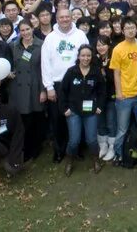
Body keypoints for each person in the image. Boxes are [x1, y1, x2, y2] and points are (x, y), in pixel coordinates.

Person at [41, 7, 89, 163]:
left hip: (77, 82)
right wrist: (49, 87)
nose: (65, 20)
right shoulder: (50, 38)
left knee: (80, 115)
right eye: (61, 17)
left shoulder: (80, 35)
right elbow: (45, 64)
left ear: (71, 18)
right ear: (57, 19)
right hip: (57, 84)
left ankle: (78, 149)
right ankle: (60, 150)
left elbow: (88, 56)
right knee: (58, 119)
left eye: (67, 17)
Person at [58, 44, 107, 175]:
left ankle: (96, 160)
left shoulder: (96, 72)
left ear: (91, 57)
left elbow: (102, 91)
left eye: (88, 55)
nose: (86, 58)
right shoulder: (71, 72)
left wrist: (100, 107)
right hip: (74, 111)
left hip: (91, 112)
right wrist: (64, 109)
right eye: (83, 55)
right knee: (74, 141)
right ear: (78, 56)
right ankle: (69, 161)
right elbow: (62, 92)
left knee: (91, 139)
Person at [110, 16, 137, 163]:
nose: (130, 30)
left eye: (133, 27)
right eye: (127, 28)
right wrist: (119, 92)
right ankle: (118, 154)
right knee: (122, 129)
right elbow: (116, 72)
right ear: (122, 30)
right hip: (125, 96)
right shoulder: (118, 49)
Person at [10, 19, 46, 162]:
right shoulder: (13, 46)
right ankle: (24, 149)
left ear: (33, 28)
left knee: (36, 120)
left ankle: (35, 149)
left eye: (27, 29)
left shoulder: (42, 45)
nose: (25, 33)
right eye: (22, 30)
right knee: (22, 122)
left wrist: (43, 90)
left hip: (35, 87)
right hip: (18, 89)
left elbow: (45, 69)